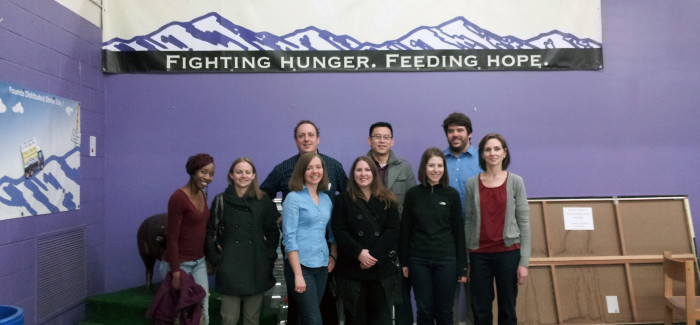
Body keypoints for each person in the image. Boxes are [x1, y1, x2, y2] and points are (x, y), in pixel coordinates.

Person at [260, 120, 346, 325]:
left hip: (325, 252)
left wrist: (334, 251)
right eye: (301, 135)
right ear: (295, 140)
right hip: (296, 251)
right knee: (302, 308)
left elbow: (347, 198)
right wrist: (277, 217)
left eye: (310, 135)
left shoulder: (333, 166)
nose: (306, 139)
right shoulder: (284, 168)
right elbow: (263, 195)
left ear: (318, 138)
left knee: (323, 305)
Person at [464, 134, 530, 325]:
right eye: (487, 149)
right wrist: (467, 260)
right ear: (482, 154)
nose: (492, 153)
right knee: (481, 309)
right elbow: (468, 222)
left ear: (504, 153)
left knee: (507, 309)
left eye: (497, 149)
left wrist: (524, 262)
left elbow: (524, 223)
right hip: (479, 256)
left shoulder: (516, 182)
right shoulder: (471, 184)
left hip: (508, 254)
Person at [205, 157, 280, 325]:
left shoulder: (263, 200)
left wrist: (267, 258)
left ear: (254, 176)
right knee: (229, 319)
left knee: (252, 319)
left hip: (257, 266)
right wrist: (218, 260)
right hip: (230, 267)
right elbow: (210, 233)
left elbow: (273, 233)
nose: (243, 176)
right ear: (231, 175)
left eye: (247, 172)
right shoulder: (221, 200)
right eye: (239, 172)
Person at [399, 148, 467, 325]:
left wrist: (462, 267)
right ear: (424, 167)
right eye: (431, 165)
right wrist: (404, 262)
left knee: (444, 311)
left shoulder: (451, 194)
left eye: (439, 165)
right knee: (424, 311)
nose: (436, 170)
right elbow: (405, 230)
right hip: (418, 260)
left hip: (446, 260)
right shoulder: (413, 194)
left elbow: (459, 231)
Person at [331, 156, 401, 325]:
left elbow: (393, 230)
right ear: (353, 174)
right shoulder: (342, 200)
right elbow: (340, 231)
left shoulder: (388, 199)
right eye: (359, 170)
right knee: (355, 319)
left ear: (374, 173)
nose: (363, 174)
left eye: (367, 170)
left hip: (381, 270)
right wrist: (359, 253)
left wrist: (373, 256)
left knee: (381, 319)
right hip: (352, 269)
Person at [366, 121, 416, 325]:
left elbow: (413, 206)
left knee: (402, 294)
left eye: (386, 137)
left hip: (398, 240)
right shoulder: (362, 166)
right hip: (370, 242)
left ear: (392, 141)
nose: (381, 141)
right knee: (376, 297)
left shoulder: (404, 167)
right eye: (377, 137)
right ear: (369, 140)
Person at [282, 152, 337, 325]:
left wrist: (333, 256)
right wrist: (298, 274)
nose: (315, 171)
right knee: (314, 319)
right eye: (309, 168)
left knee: (306, 316)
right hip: (300, 266)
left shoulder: (326, 199)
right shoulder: (293, 198)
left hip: (321, 265)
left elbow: (332, 232)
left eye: (318, 167)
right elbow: (289, 238)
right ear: (302, 171)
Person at [160, 153, 215, 325]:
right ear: (193, 171)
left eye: (211, 174)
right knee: (181, 315)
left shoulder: (203, 195)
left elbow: (202, 230)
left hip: (199, 263)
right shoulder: (178, 198)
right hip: (179, 265)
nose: (207, 177)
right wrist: (176, 272)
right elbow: (172, 238)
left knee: (203, 309)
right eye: (203, 172)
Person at [443, 112, 481, 325]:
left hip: (477, 233)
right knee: (449, 292)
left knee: (477, 291)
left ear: (469, 133)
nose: (455, 135)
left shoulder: (482, 159)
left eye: (460, 130)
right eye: (451, 131)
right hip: (447, 235)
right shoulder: (438, 161)